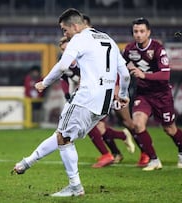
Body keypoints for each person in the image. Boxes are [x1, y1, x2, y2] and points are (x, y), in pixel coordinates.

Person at [12, 8, 130, 197]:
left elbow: (63, 65)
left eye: (64, 30)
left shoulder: (79, 38)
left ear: (75, 26)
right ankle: (27, 162)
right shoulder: (108, 39)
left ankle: (75, 187)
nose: (64, 34)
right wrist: (123, 94)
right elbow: (124, 74)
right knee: (64, 135)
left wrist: (45, 82)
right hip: (104, 103)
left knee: (64, 138)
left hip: (86, 98)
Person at [58, 36, 135, 168]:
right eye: (63, 50)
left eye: (68, 49)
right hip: (88, 96)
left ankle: (108, 154)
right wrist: (67, 94)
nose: (67, 53)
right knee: (98, 127)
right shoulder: (65, 63)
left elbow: (111, 70)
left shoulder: (87, 58)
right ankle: (117, 147)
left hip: (101, 94)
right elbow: (63, 79)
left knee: (92, 126)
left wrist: (116, 87)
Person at [123, 17, 182, 170]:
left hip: (161, 94)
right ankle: (154, 160)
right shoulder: (129, 49)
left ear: (148, 32)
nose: (138, 34)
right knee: (137, 124)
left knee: (169, 129)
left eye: (142, 31)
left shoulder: (158, 48)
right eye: (135, 31)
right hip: (143, 94)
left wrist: (143, 75)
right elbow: (120, 67)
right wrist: (120, 89)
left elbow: (165, 76)